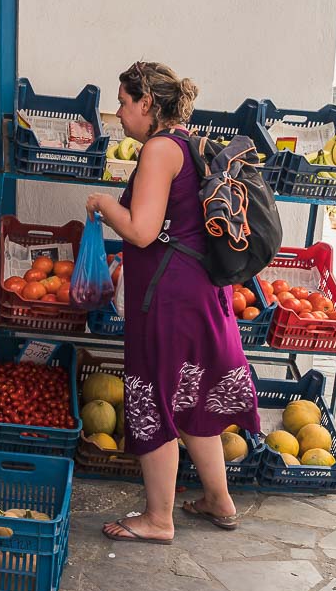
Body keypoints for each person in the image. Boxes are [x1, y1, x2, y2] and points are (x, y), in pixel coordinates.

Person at [87, 61, 259, 543]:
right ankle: (219, 500)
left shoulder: (160, 150)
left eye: (123, 102)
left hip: (169, 298)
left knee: (154, 399)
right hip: (199, 291)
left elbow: (142, 232)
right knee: (192, 396)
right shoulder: (189, 141)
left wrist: (104, 205)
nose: (119, 113)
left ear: (147, 103)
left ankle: (159, 519)